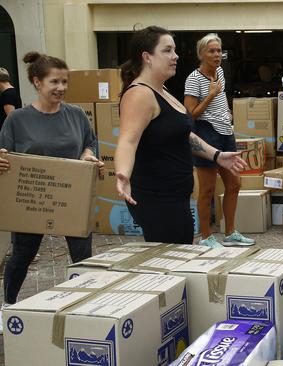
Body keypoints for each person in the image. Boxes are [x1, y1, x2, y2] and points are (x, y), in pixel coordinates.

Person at [0, 52, 104, 332]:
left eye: (64, 82)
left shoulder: (76, 115)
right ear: (37, 82)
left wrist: (88, 154)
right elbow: (5, 155)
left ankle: (85, 305)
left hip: (72, 198)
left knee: (82, 255)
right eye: (54, 82)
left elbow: (90, 144)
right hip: (32, 198)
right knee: (22, 253)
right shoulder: (17, 120)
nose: (61, 88)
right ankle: (7, 304)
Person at [115, 26, 247, 245]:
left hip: (176, 198)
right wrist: (123, 174)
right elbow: (127, 141)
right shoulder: (139, 94)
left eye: (174, 50)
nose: (175, 56)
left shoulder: (162, 91)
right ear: (147, 57)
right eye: (167, 50)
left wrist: (217, 155)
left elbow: (183, 135)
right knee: (169, 265)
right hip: (158, 200)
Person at [184, 33, 254, 248]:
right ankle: (206, 237)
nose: (217, 55)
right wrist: (211, 95)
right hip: (206, 134)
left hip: (225, 132)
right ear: (201, 54)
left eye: (219, 51)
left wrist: (227, 112)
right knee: (207, 189)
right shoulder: (193, 79)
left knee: (234, 183)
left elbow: (220, 99)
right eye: (211, 51)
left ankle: (230, 233)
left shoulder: (220, 72)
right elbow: (190, 114)